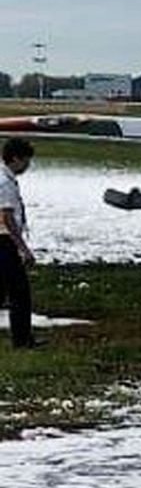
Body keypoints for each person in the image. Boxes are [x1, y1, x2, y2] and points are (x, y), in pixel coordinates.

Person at [0, 138, 37, 348]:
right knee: (19, 293)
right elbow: (7, 217)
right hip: (4, 241)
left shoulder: (4, 177)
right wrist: (23, 248)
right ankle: (22, 340)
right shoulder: (5, 183)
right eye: (26, 161)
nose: (27, 166)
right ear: (16, 158)